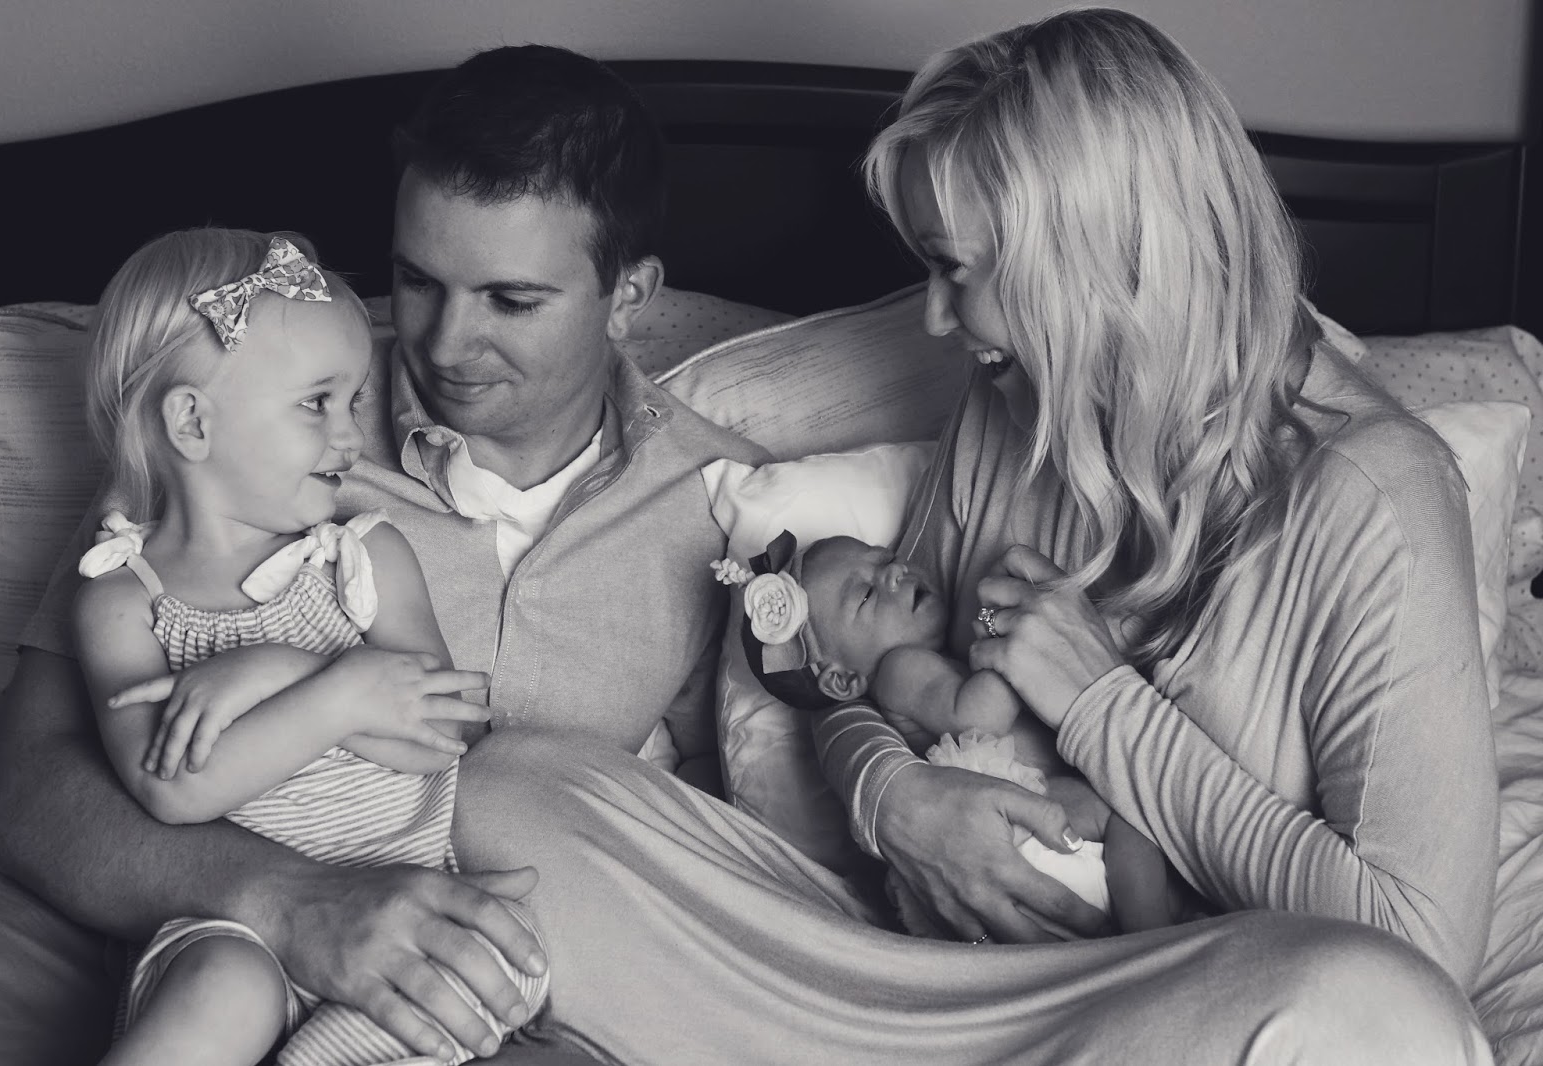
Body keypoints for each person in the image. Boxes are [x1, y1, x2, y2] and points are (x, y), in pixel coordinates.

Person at [418, 8, 1495, 1061]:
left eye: (956, 271)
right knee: (512, 792)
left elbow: (1417, 949)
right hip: (899, 976)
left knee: (1381, 1016)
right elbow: (868, 677)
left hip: (1155, 1005)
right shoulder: (1011, 405)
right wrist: (894, 798)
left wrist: (1102, 704)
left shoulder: (1374, 496)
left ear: (1094, 262)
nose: (934, 318)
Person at [0, 46, 763, 1061]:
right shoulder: (243, 417)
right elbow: (17, 784)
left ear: (629, 294)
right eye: (415, 281)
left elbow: (716, 842)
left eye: (511, 300)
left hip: (494, 991)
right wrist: (287, 900)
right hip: (189, 947)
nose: (444, 343)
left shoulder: (724, 507)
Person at [72, 229, 545, 1066]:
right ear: (191, 422)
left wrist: (286, 673)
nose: (350, 436)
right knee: (225, 982)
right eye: (315, 403)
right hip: (231, 924)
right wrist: (346, 695)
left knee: (502, 955)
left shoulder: (362, 555)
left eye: (353, 402)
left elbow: (446, 731)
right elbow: (174, 790)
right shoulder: (123, 598)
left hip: (404, 898)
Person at [721, 528, 1175, 934]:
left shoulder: (926, 664)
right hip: (1018, 823)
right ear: (843, 681)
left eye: (886, 557)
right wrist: (1010, 645)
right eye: (867, 594)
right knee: (1124, 820)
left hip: (1024, 832)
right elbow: (978, 719)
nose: (895, 571)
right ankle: (1152, 937)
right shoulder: (899, 669)